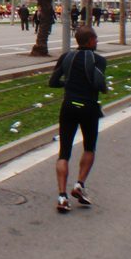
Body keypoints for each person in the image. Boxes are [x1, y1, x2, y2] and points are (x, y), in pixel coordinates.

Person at [48, 25, 108, 213]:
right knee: (89, 147)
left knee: (64, 152)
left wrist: (69, 83)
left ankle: (62, 196)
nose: (97, 41)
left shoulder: (66, 57)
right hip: (88, 107)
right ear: (90, 41)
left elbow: (53, 82)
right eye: (95, 39)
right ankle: (79, 184)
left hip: (68, 107)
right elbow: (100, 84)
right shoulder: (99, 60)